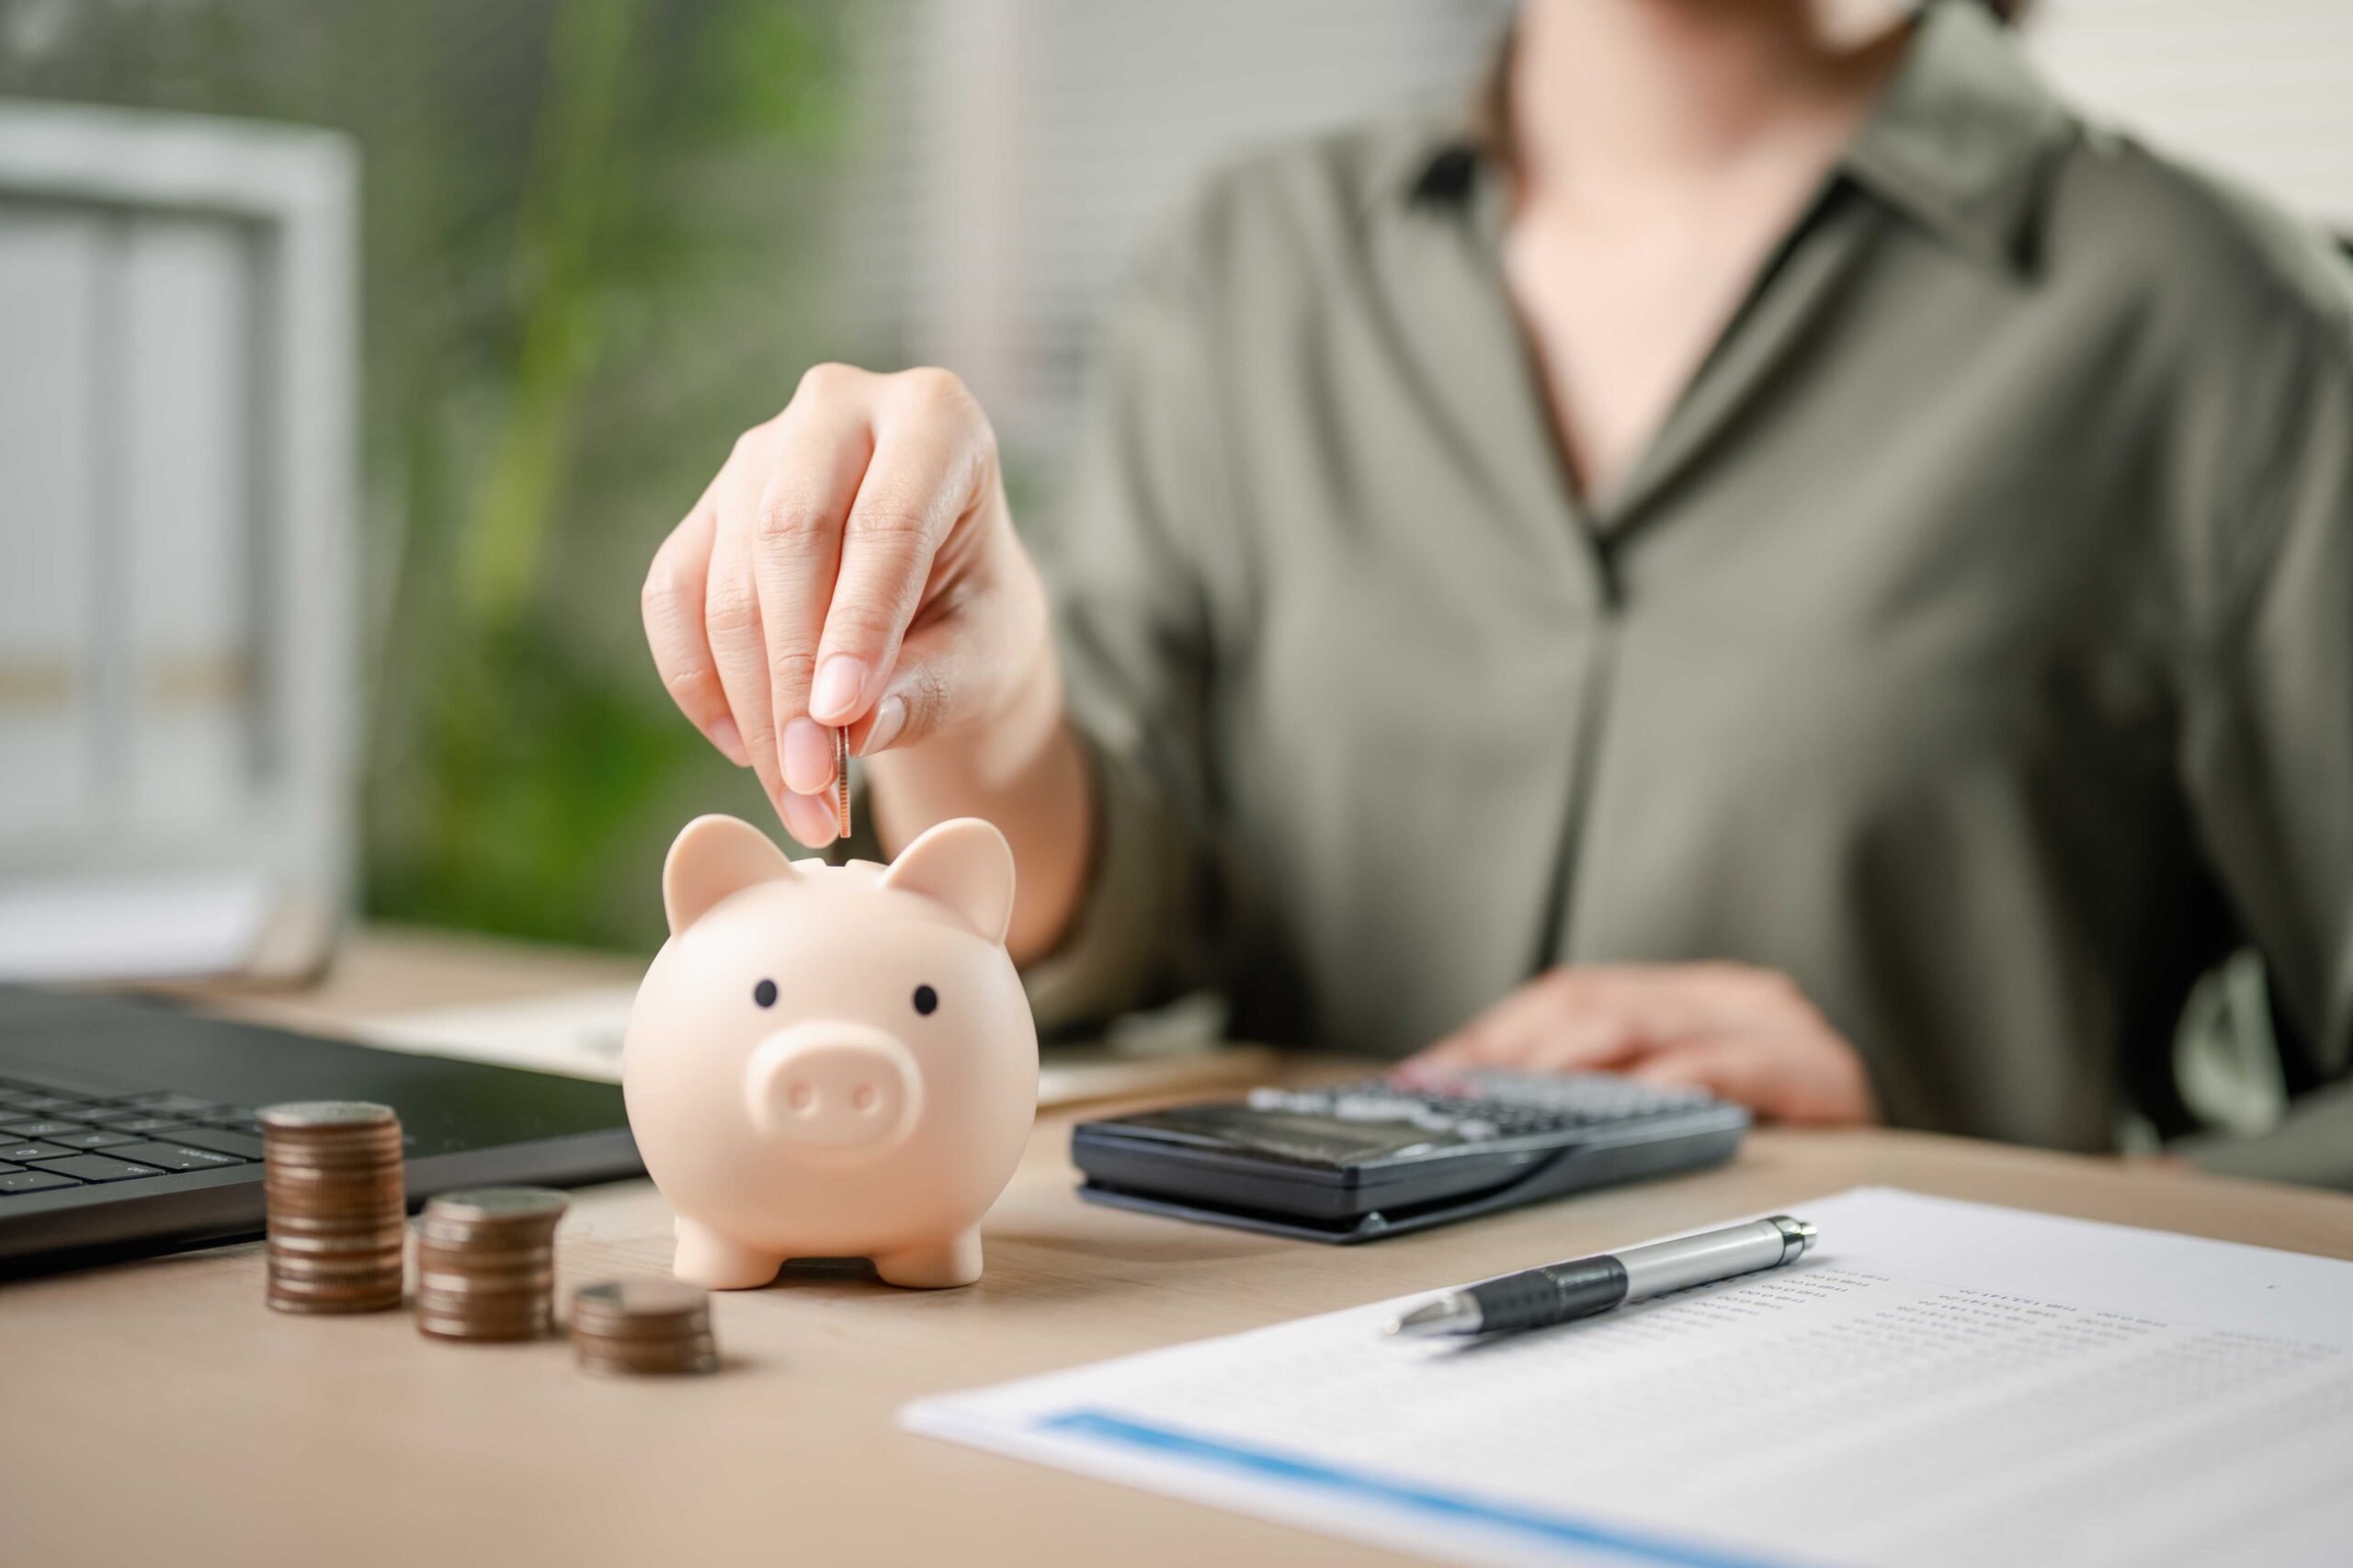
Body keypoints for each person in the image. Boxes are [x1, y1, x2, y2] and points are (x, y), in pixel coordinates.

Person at [638, 0, 2353, 1186]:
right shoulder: (1248, 266)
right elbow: (1119, 906)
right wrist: (986, 685)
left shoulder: (2230, 332)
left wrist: (1974, 1170)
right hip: (1285, 1389)